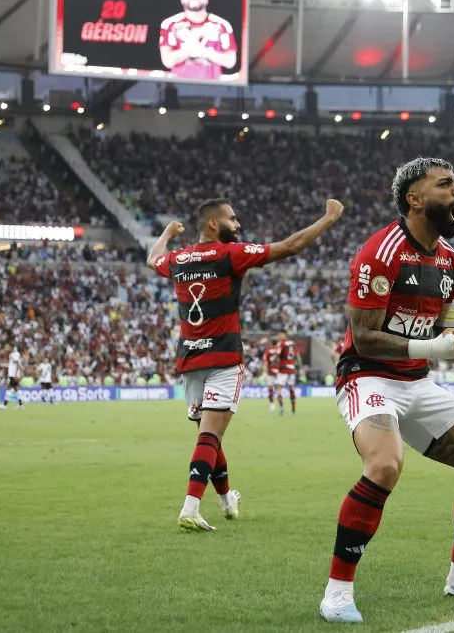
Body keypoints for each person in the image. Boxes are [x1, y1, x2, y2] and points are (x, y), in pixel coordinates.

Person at [318, 157, 454, 624]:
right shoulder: (380, 251)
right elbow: (364, 337)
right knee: (385, 464)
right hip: (366, 376)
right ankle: (337, 593)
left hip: (416, 381)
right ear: (414, 199)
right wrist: (433, 347)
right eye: (445, 184)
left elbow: (449, 339)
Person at [147, 197, 344, 531]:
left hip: (190, 358)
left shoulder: (179, 258)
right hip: (223, 357)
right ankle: (190, 508)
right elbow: (291, 246)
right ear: (213, 224)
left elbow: (153, 259)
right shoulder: (230, 254)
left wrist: (167, 234)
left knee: (209, 436)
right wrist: (329, 218)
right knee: (210, 434)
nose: (237, 225)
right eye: (232, 219)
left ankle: (227, 500)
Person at [159, 0, 237, 80]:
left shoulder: (222, 25)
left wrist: (203, 50)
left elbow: (230, 62)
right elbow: (167, 61)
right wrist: (194, 41)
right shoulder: (170, 24)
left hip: (212, 84)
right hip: (179, 83)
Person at [276, 330, 301, 415]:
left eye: (280, 334)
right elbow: (297, 355)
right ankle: (293, 410)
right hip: (292, 368)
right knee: (291, 388)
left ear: (285, 335)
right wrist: (299, 365)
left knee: (279, 388)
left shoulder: (281, 344)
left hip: (283, 369)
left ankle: (281, 408)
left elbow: (277, 355)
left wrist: (276, 363)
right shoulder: (292, 343)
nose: (278, 336)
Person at [263, 339, 283, 413]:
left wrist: (265, 373)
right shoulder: (279, 351)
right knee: (279, 390)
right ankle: (281, 407)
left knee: (270, 389)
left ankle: (272, 405)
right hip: (279, 373)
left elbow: (265, 363)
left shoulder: (268, 351)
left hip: (270, 373)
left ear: (271, 343)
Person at [3, 345, 24, 410]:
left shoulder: (15, 354)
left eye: (8, 347)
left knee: (9, 387)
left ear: (11, 348)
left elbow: (17, 364)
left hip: (13, 374)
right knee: (16, 388)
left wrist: (16, 374)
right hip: (13, 374)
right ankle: (20, 404)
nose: (7, 348)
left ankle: (4, 404)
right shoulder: (12, 354)